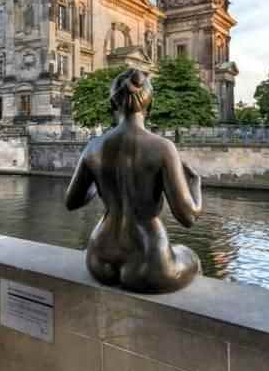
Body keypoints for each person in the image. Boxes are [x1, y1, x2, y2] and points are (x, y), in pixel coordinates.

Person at [65, 68, 202, 293]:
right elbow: (188, 217)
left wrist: (98, 178)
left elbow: (72, 202)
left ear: (113, 104)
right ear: (151, 105)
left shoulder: (93, 146)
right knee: (191, 256)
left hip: (98, 258)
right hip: (148, 261)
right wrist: (195, 185)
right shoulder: (163, 147)